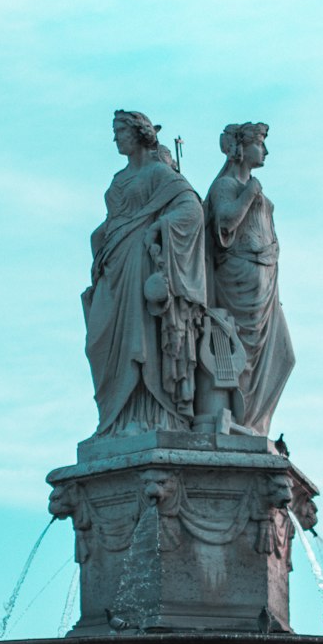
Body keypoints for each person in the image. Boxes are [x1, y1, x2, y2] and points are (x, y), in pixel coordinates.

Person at [83, 111, 207, 436]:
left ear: (139, 134)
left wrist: (159, 228)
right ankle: (114, 419)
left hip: (142, 265)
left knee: (143, 340)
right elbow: (113, 220)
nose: (115, 139)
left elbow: (191, 208)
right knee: (98, 341)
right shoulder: (118, 179)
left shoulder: (159, 173)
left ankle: (150, 416)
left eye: (119, 131)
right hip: (114, 265)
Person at [204, 122, 294, 435]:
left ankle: (254, 421)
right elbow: (226, 221)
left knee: (284, 356)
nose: (265, 150)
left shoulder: (253, 186)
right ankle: (237, 419)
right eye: (260, 143)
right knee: (240, 350)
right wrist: (250, 193)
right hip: (237, 279)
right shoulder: (225, 186)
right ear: (242, 148)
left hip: (266, 282)